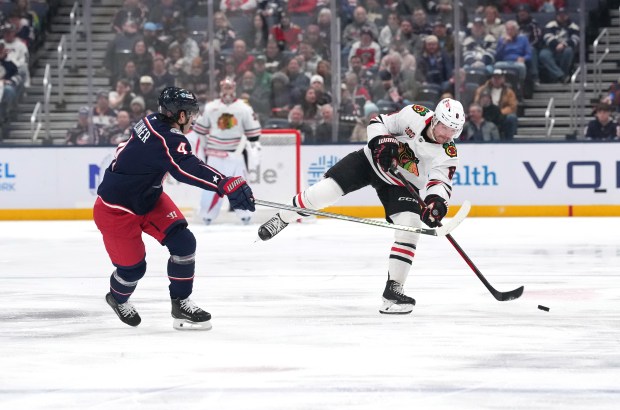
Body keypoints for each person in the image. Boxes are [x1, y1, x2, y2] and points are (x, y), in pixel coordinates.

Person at [257, 98, 465, 315]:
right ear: (435, 120)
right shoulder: (414, 114)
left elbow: (440, 182)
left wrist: (436, 203)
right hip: (369, 162)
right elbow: (379, 121)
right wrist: (382, 142)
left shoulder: (448, 152)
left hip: (401, 183)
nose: (448, 135)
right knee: (324, 193)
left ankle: (393, 291)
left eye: (454, 131)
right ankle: (281, 218)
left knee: (410, 226)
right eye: (445, 128)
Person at [94, 87, 255, 330]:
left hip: (149, 198)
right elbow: (185, 167)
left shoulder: (151, 121)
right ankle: (117, 298)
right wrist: (224, 183)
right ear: (179, 115)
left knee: (184, 243)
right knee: (133, 270)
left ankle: (180, 303)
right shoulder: (168, 138)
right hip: (117, 210)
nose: (193, 118)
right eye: (190, 113)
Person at [193, 77, 262, 225]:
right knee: (212, 186)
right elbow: (200, 129)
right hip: (214, 154)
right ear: (220, 89)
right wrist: (205, 148)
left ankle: (245, 214)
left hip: (235, 154)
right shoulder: (211, 107)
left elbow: (253, 134)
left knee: (240, 184)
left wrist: (253, 150)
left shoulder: (244, 108)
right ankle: (207, 215)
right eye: (225, 87)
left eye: (230, 88)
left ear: (234, 88)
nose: (227, 90)